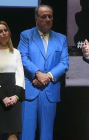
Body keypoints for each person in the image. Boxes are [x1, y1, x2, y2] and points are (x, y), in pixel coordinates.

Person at [18, 4, 69, 140]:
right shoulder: (26, 35)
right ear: (36, 19)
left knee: (46, 134)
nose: (47, 19)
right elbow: (22, 57)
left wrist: (47, 76)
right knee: (26, 133)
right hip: (31, 89)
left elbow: (64, 63)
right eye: (43, 17)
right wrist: (37, 74)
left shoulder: (61, 38)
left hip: (49, 90)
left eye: (50, 16)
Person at [0, 21, 25, 140]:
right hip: (1, 96)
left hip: (13, 98)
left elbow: (20, 75)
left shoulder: (16, 53)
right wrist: (2, 97)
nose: (4, 33)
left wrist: (16, 97)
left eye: (5, 30)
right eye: (0, 31)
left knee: (13, 133)